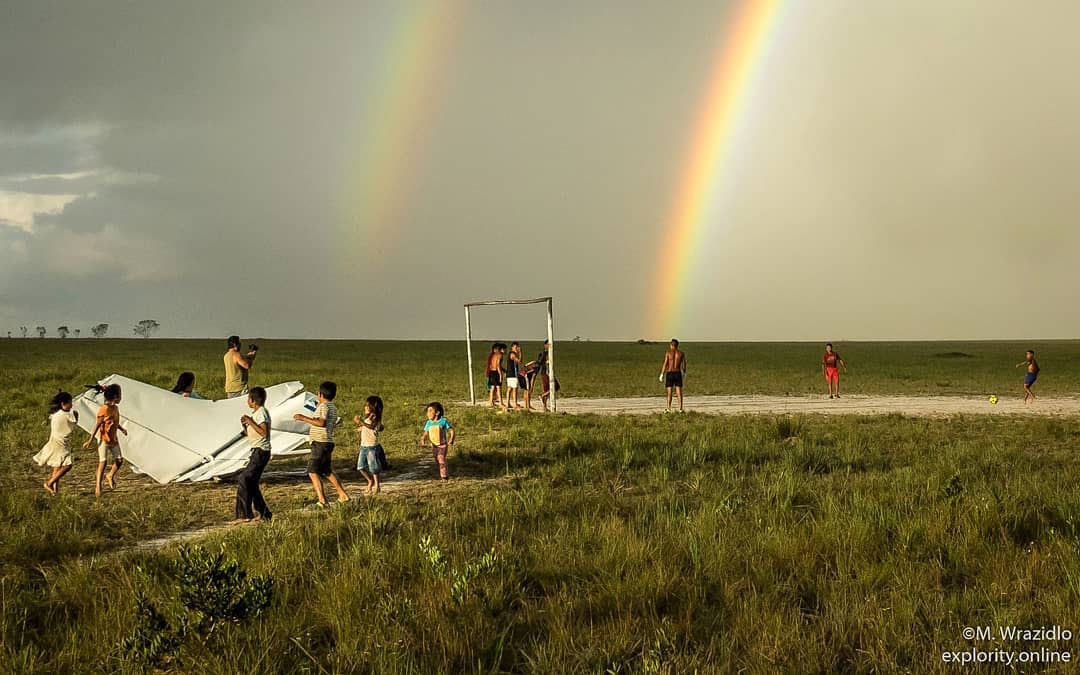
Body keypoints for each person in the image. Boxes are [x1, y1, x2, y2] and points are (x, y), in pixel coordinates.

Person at [294, 381, 350, 506]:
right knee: (326, 471)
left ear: (320, 394)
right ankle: (342, 494)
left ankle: (322, 500)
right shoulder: (332, 407)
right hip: (327, 442)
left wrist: (303, 418)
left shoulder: (324, 407)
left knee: (312, 471)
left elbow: (321, 423)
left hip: (320, 442)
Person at [82, 383, 127, 497]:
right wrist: (90, 439)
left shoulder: (115, 408)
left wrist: (121, 429)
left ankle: (110, 475)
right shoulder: (104, 409)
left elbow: (115, 421)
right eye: (120, 395)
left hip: (113, 439)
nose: (121, 398)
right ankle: (98, 486)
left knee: (119, 460)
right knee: (103, 462)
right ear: (116, 397)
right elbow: (97, 425)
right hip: (104, 440)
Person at [235, 386, 272, 522]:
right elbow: (253, 434)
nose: (247, 401)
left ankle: (244, 514)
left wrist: (250, 421)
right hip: (257, 451)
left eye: (248, 399)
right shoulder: (257, 414)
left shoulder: (261, 413)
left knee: (244, 478)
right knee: (251, 483)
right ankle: (264, 513)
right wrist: (246, 425)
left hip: (261, 451)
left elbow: (263, 432)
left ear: (253, 400)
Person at [34, 390, 79, 495]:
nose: (71, 405)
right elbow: (73, 423)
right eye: (70, 403)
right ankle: (49, 483)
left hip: (55, 441)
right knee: (68, 465)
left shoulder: (55, 414)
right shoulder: (67, 415)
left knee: (57, 467)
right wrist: (76, 415)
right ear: (63, 404)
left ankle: (55, 492)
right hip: (61, 443)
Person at [355, 396, 385, 494]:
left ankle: (377, 485)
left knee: (373, 467)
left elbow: (372, 426)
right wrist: (361, 427)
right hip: (363, 446)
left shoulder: (374, 416)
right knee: (360, 467)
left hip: (372, 447)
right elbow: (371, 427)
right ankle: (370, 480)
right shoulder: (368, 417)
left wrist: (361, 422)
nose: (365, 407)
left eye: (367, 406)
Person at [420, 401, 454, 480]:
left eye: (430, 411)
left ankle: (444, 476)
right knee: (437, 459)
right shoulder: (428, 423)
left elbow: (451, 430)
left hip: (443, 445)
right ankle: (442, 470)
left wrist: (451, 439)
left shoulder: (443, 421)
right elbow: (425, 433)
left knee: (441, 457)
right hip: (434, 446)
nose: (428, 413)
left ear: (437, 412)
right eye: (427, 411)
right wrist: (423, 440)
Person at [659, 338, 687, 413]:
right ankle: (680, 409)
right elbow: (684, 365)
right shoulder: (681, 353)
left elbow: (665, 364)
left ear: (671, 345)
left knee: (669, 392)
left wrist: (662, 374)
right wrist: (684, 373)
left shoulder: (668, 353)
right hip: (678, 373)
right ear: (677, 345)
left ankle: (668, 409)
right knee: (679, 392)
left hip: (670, 373)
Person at [535, 340, 559, 412]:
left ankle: (544, 399)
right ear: (545, 345)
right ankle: (543, 400)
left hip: (549, 372)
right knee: (553, 387)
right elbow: (539, 362)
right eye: (548, 344)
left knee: (554, 387)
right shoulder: (543, 353)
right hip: (545, 373)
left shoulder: (549, 353)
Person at [486, 343, 506, 408]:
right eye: (505, 349)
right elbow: (498, 365)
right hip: (496, 372)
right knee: (498, 388)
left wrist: (504, 370)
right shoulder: (500, 355)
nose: (505, 351)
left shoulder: (494, 355)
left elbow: (493, 364)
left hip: (491, 371)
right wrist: (500, 375)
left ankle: (491, 402)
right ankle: (501, 403)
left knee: (492, 388)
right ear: (502, 349)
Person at [506, 342, 524, 409]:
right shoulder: (512, 354)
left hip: (509, 374)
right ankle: (515, 403)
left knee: (509, 388)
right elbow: (519, 361)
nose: (516, 349)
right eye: (515, 347)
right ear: (512, 347)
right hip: (512, 374)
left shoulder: (511, 354)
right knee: (514, 389)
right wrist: (520, 352)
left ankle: (508, 403)